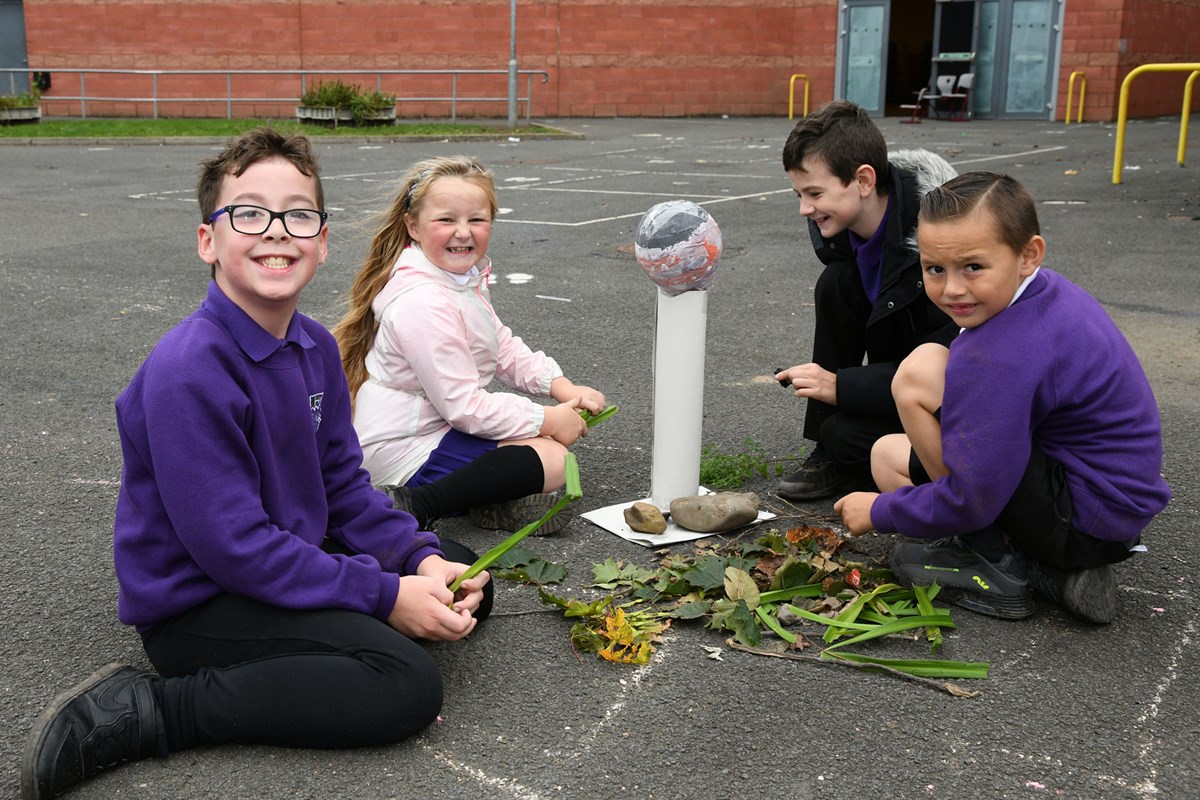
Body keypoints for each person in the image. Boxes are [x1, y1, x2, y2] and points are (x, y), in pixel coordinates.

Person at [21, 129, 492, 800]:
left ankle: (387, 598)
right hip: (202, 601)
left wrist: (416, 560)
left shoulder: (314, 347)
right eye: (249, 213)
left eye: (298, 214)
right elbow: (234, 549)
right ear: (208, 240)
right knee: (403, 684)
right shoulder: (190, 370)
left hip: (282, 548)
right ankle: (147, 713)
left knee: (464, 574)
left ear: (322, 241)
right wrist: (384, 596)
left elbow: (342, 488)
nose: (276, 231)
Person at [834, 172, 1172, 624]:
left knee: (918, 374)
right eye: (935, 269)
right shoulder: (1041, 295)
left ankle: (1000, 565)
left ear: (1028, 254)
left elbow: (972, 497)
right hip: (1098, 502)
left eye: (972, 267)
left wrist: (879, 510)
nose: (952, 288)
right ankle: (1048, 575)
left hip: (1085, 519)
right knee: (885, 456)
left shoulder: (1002, 351)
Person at [332, 156, 606, 534]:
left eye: (476, 219)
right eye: (446, 220)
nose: (463, 232)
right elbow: (465, 407)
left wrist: (560, 387)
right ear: (412, 225)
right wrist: (547, 418)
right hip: (402, 447)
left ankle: (484, 499)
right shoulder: (423, 301)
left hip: (436, 428)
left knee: (536, 447)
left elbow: (501, 346)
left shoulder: (459, 281)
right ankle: (415, 505)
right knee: (553, 460)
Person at [775, 100, 959, 501]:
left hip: (947, 404)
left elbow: (953, 367)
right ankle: (828, 452)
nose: (804, 208)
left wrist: (843, 387)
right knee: (835, 284)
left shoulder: (937, 249)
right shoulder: (845, 244)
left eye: (814, 193)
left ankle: (930, 476)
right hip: (896, 392)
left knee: (848, 438)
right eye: (798, 194)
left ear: (863, 180)